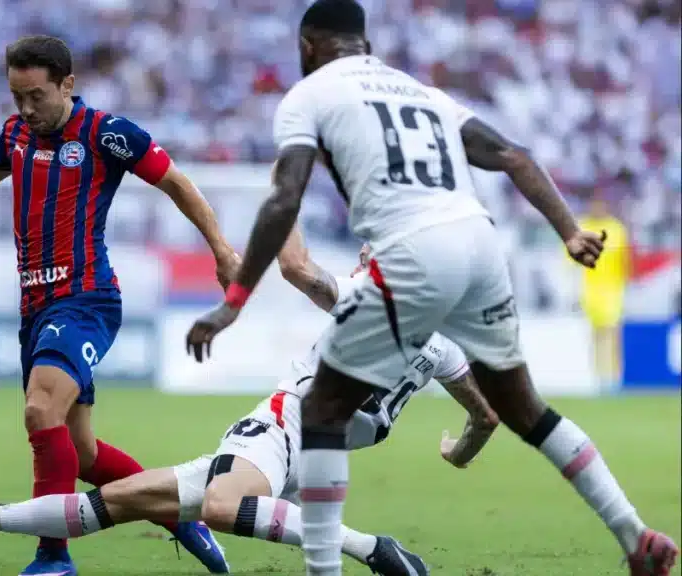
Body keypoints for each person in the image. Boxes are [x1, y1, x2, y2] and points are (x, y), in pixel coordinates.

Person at [183, 1, 678, 575]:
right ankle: (634, 534)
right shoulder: (422, 93)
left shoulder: (310, 95)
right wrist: (569, 230)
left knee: (320, 408)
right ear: (366, 44)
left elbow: (284, 200)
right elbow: (514, 156)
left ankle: (328, 569)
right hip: (480, 245)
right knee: (529, 411)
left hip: (412, 250)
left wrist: (234, 301)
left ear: (308, 46)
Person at [0, 35, 237, 576]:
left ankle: (52, 558)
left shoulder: (106, 133)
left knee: (40, 410)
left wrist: (222, 250)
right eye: (17, 97)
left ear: (67, 85)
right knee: (82, 454)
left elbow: (175, 182)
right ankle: (180, 516)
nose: (27, 109)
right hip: (35, 308)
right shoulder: (16, 133)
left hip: (85, 299)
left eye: (37, 96)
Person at [0, 239, 500, 576]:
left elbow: (296, 268)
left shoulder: (365, 300)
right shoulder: (442, 347)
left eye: (372, 253)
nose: (362, 257)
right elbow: (485, 417)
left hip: (279, 431)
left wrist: (288, 188)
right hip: (312, 461)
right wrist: (458, 452)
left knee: (219, 506)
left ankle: (373, 549)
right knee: (121, 500)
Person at [577, 194, 630, 388]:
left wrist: (626, 286)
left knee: (612, 334)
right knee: (595, 336)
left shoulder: (616, 229)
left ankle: (613, 378)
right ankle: (598, 377)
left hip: (612, 291)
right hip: (589, 291)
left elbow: (625, 261)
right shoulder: (581, 227)